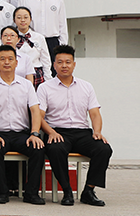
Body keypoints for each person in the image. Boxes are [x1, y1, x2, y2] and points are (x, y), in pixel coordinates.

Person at [38, 45, 112, 206]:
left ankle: (88, 191)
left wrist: (97, 131)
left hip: (82, 132)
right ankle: (67, 191)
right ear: (54, 65)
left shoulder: (86, 86)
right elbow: (39, 117)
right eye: (60, 62)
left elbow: (94, 113)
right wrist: (51, 132)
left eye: (68, 62)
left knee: (103, 149)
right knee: (55, 149)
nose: (64, 65)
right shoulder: (44, 88)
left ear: (74, 64)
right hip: (58, 132)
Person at [0, 44, 46, 205]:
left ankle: (31, 193)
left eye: (10, 59)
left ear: (17, 62)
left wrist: (35, 133)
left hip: (21, 133)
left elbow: (35, 111)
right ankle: (2, 192)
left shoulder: (26, 85)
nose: (6, 62)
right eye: (2, 59)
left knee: (38, 148)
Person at [18, 0, 67, 68]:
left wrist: (62, 47)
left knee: (54, 72)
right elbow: (20, 22)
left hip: (52, 42)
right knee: (31, 70)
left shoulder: (58, 0)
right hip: (32, 41)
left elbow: (62, 25)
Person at [13, 6, 52, 88]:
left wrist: (48, 78)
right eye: (19, 17)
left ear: (30, 19)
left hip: (36, 72)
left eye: (26, 17)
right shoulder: (10, 37)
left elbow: (45, 60)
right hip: (16, 73)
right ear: (14, 20)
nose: (22, 20)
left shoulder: (39, 37)